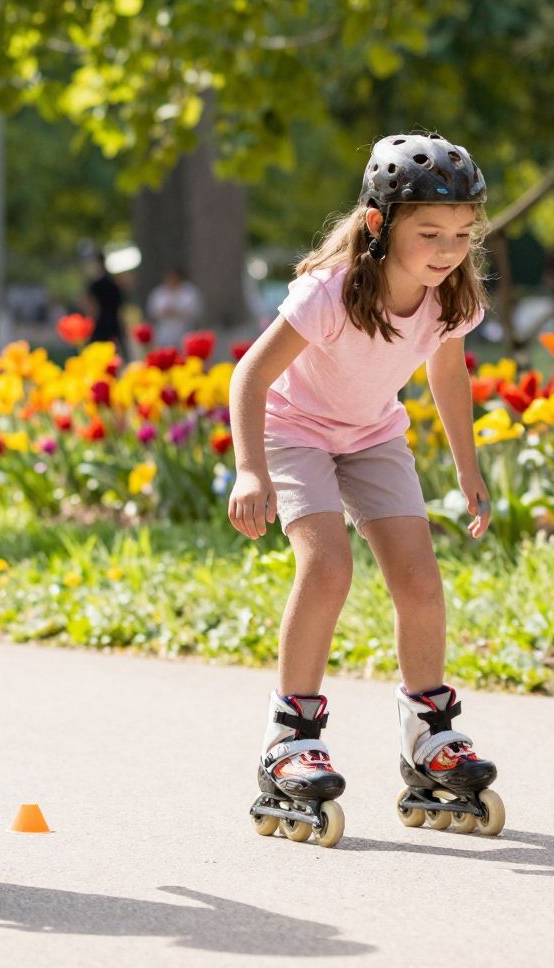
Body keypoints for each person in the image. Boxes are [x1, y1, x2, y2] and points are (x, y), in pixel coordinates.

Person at [228, 134, 504, 849]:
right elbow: (251, 376)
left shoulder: (448, 296)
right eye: (429, 233)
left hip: (374, 435)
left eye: (461, 234)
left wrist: (468, 470)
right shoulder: (331, 290)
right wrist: (252, 469)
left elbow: (449, 376)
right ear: (380, 225)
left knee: (419, 577)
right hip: (297, 431)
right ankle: (289, 736)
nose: (447, 250)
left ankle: (429, 733)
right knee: (328, 567)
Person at [80, 248, 129, 357]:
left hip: (100, 325)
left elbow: (91, 307)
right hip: (115, 324)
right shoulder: (114, 282)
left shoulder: (94, 285)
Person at [147, 265, 204, 346]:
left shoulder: (189, 292)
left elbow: (196, 311)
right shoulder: (158, 293)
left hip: (185, 333)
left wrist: (178, 312)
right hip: (164, 335)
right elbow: (152, 312)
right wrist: (164, 312)